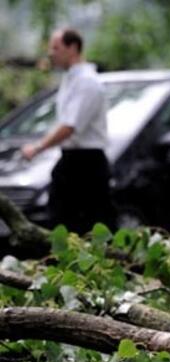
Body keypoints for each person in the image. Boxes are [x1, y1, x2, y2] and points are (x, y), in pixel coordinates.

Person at [21, 28, 114, 233]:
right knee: (62, 222)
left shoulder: (87, 82)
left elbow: (69, 126)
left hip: (87, 165)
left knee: (87, 225)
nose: (51, 53)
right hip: (71, 160)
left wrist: (38, 147)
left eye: (56, 47)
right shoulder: (70, 80)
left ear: (73, 48)